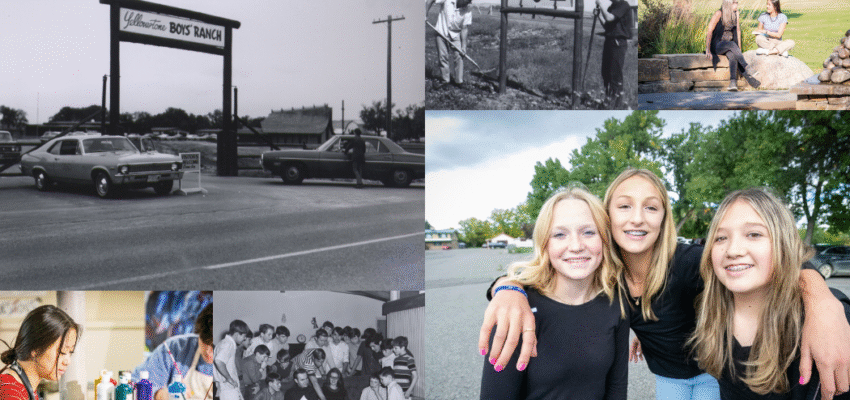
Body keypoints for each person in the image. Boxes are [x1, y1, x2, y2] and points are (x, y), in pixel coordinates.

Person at [480, 168, 850, 400]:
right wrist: (507, 287)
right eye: (624, 206)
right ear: (607, 218)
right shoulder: (606, 279)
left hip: (710, 372)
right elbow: (545, 272)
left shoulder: (688, 262)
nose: (637, 218)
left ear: (664, 218)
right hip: (667, 376)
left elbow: (770, 260)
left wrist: (822, 300)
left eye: (651, 207)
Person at [689, 188, 850, 399]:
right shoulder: (711, 309)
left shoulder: (826, 324)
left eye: (754, 234)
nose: (733, 250)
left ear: (783, 245)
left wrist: (824, 301)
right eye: (720, 238)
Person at [479, 187, 628, 399]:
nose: (576, 246)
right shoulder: (517, 308)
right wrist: (506, 286)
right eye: (559, 234)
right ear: (545, 244)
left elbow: (617, 388)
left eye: (588, 232)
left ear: (604, 239)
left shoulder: (616, 302)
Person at [133, 302, 215, 400]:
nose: (208, 352)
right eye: (205, 342)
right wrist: (159, 394)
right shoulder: (174, 348)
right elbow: (135, 381)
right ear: (198, 332)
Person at [0, 305, 80, 400]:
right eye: (62, 352)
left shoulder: (20, 387)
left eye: (70, 352)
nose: (67, 361)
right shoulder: (10, 393)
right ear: (36, 348)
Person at [706, 0, 760, 91]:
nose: (737, 4)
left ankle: (733, 83)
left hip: (730, 45)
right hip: (717, 45)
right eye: (735, 2)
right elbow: (709, 31)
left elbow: (738, 30)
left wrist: (739, 49)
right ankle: (747, 67)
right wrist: (708, 49)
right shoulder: (719, 13)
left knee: (732, 55)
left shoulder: (736, 13)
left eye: (737, 2)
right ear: (728, 3)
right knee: (731, 45)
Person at [426, 0, 473, 89]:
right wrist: (425, 14)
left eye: (468, 2)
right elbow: (430, 1)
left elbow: (464, 28)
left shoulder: (468, 9)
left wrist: (464, 45)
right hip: (441, 31)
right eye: (465, 1)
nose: (466, 4)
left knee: (459, 56)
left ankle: (459, 81)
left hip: (455, 34)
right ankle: (445, 80)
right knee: (443, 56)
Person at [596, 0, 633, 108]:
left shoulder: (623, 5)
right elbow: (607, 26)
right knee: (606, 72)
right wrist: (598, 15)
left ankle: (617, 102)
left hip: (618, 42)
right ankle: (609, 98)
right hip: (609, 40)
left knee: (615, 73)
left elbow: (609, 18)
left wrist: (601, 6)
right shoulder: (612, 7)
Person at [215, 320, 250, 400]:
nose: (244, 339)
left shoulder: (223, 343)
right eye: (244, 336)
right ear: (237, 334)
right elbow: (219, 361)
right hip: (228, 389)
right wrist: (229, 378)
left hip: (226, 387)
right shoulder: (229, 344)